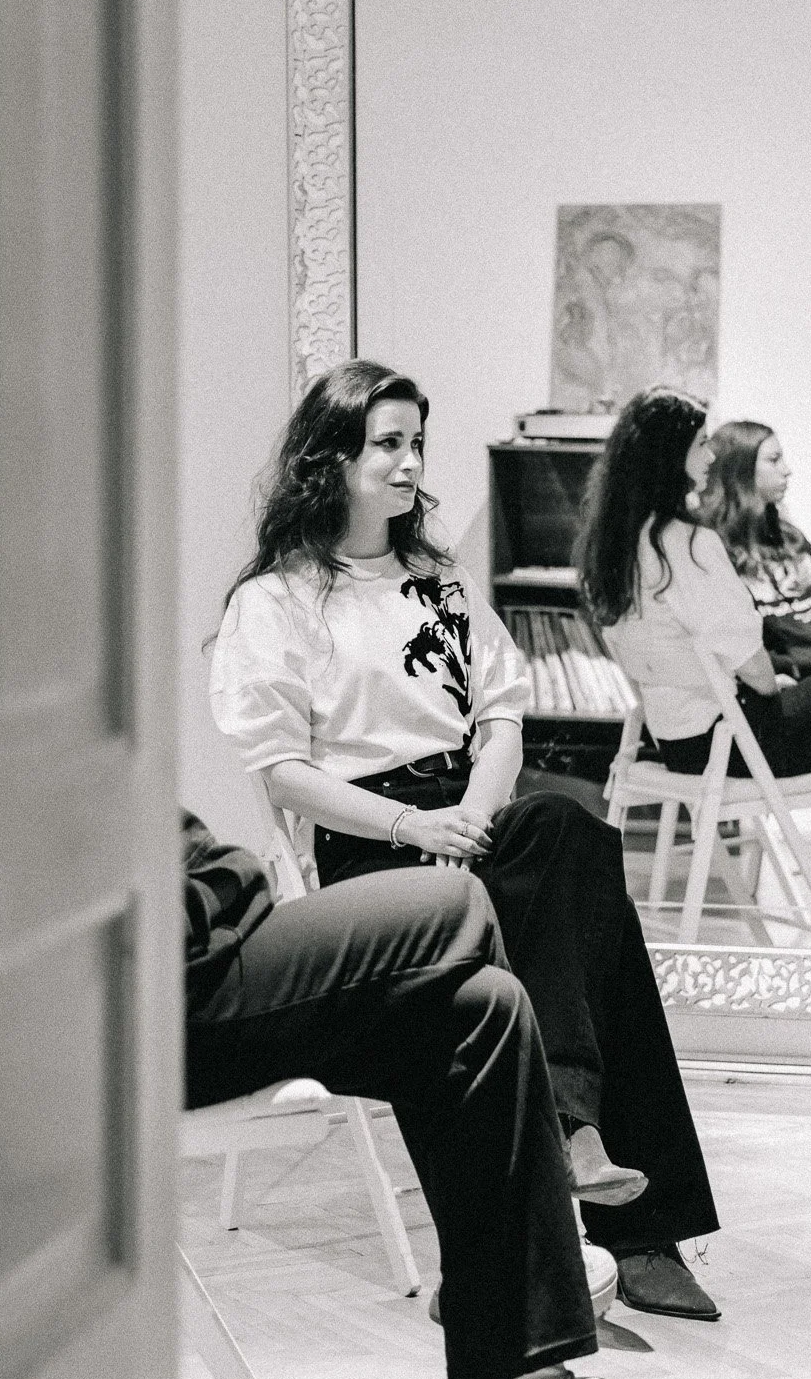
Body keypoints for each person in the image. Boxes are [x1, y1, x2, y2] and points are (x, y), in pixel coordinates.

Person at [208, 358, 721, 1321]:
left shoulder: (434, 581)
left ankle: (584, 1156)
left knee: (569, 828)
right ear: (333, 460)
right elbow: (281, 773)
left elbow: (502, 718)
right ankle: (636, 1224)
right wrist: (414, 827)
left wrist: (470, 821)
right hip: (368, 839)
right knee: (586, 915)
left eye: (415, 445)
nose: (408, 467)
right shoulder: (274, 603)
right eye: (388, 445)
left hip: (470, 816)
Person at [182, 810, 662, 1379]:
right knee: (457, 904)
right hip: (167, 980)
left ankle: (506, 1370)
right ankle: (521, 1309)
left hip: (181, 952)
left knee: (480, 1006)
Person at [575, 388, 811, 888]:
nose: (711, 454)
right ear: (672, 458)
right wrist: (772, 682)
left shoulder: (620, 543)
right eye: (701, 443)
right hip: (728, 744)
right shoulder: (689, 544)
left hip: (674, 741)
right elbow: (754, 666)